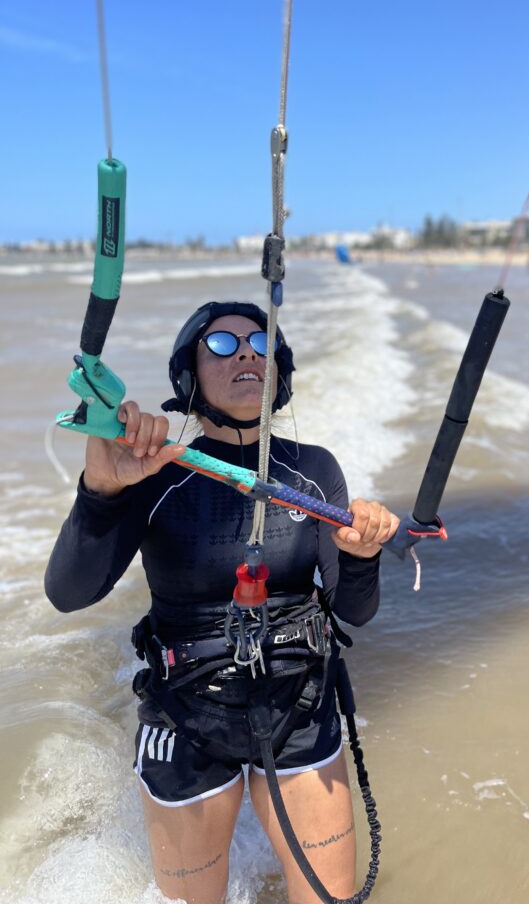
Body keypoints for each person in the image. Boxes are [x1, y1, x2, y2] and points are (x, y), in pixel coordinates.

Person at [45, 301, 399, 904]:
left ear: (279, 373)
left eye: (262, 343)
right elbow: (69, 593)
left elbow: (353, 610)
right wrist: (103, 491)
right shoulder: (153, 470)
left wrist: (364, 553)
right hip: (184, 712)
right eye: (222, 344)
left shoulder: (313, 470)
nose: (246, 353)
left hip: (299, 703)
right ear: (187, 375)